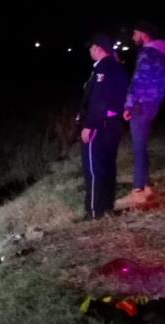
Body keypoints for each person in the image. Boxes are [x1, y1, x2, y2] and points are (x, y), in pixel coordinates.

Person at [79, 34, 129, 219]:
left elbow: (98, 100)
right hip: (114, 124)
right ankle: (107, 207)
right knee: (108, 166)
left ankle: (94, 211)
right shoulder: (118, 67)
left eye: (91, 48)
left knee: (94, 168)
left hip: (99, 125)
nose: (90, 51)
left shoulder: (103, 68)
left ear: (99, 48)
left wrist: (89, 125)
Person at [117, 21, 165, 208]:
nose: (133, 37)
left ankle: (138, 191)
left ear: (144, 34)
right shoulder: (161, 52)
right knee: (142, 145)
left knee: (138, 147)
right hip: (154, 103)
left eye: (135, 33)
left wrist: (128, 105)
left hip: (141, 105)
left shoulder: (147, 53)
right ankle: (146, 187)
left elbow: (138, 80)